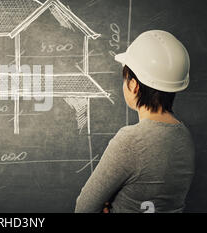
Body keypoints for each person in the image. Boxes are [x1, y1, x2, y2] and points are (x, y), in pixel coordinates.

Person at [75, 30, 195, 213]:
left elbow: (84, 208)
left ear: (133, 85)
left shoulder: (130, 140)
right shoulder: (184, 136)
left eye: (125, 80)